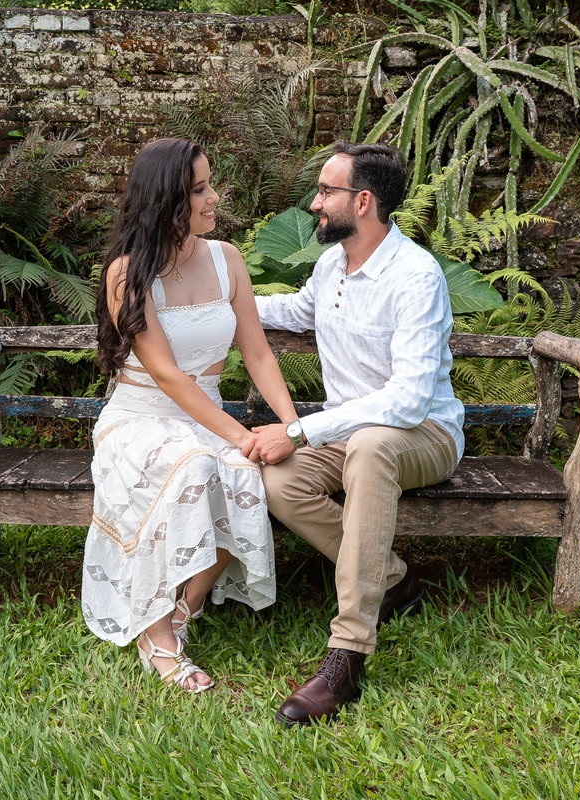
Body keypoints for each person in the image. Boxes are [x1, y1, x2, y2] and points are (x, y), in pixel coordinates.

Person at [251, 141, 465, 725]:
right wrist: (225, 300)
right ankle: (394, 580)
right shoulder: (331, 264)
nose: (315, 203)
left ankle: (346, 654)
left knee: (370, 444)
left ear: (363, 201)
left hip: (421, 434)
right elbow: (296, 311)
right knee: (276, 481)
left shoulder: (416, 277)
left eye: (326, 192)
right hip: (349, 433)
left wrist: (298, 429)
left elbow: (406, 399)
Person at [82, 138, 299, 693]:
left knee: (243, 475)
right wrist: (243, 434)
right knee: (197, 466)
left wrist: (291, 426)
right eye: (200, 189)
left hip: (204, 418)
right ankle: (155, 638)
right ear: (168, 200)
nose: (214, 198)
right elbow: (169, 376)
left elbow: (258, 353)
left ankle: (184, 609)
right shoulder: (127, 273)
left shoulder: (227, 260)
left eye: (210, 186)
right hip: (140, 419)